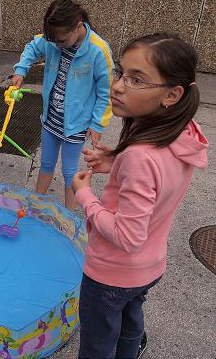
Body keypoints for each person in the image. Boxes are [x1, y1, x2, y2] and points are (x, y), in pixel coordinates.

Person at [72, 33, 208, 359]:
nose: (118, 86)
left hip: (112, 273)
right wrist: (116, 161)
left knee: (98, 342)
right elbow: (160, 175)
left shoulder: (140, 156)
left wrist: (85, 196)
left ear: (172, 94)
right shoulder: (183, 132)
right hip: (150, 267)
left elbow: (127, 235)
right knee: (130, 319)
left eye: (136, 79)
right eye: (121, 73)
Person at [12, 0, 113, 209]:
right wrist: (21, 69)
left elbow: (106, 92)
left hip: (76, 124)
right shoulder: (53, 39)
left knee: (70, 173)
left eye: (61, 41)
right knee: (46, 164)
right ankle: (34, 208)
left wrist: (97, 123)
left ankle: (69, 217)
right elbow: (33, 47)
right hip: (51, 118)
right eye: (53, 41)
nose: (56, 45)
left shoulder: (98, 50)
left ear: (78, 26)